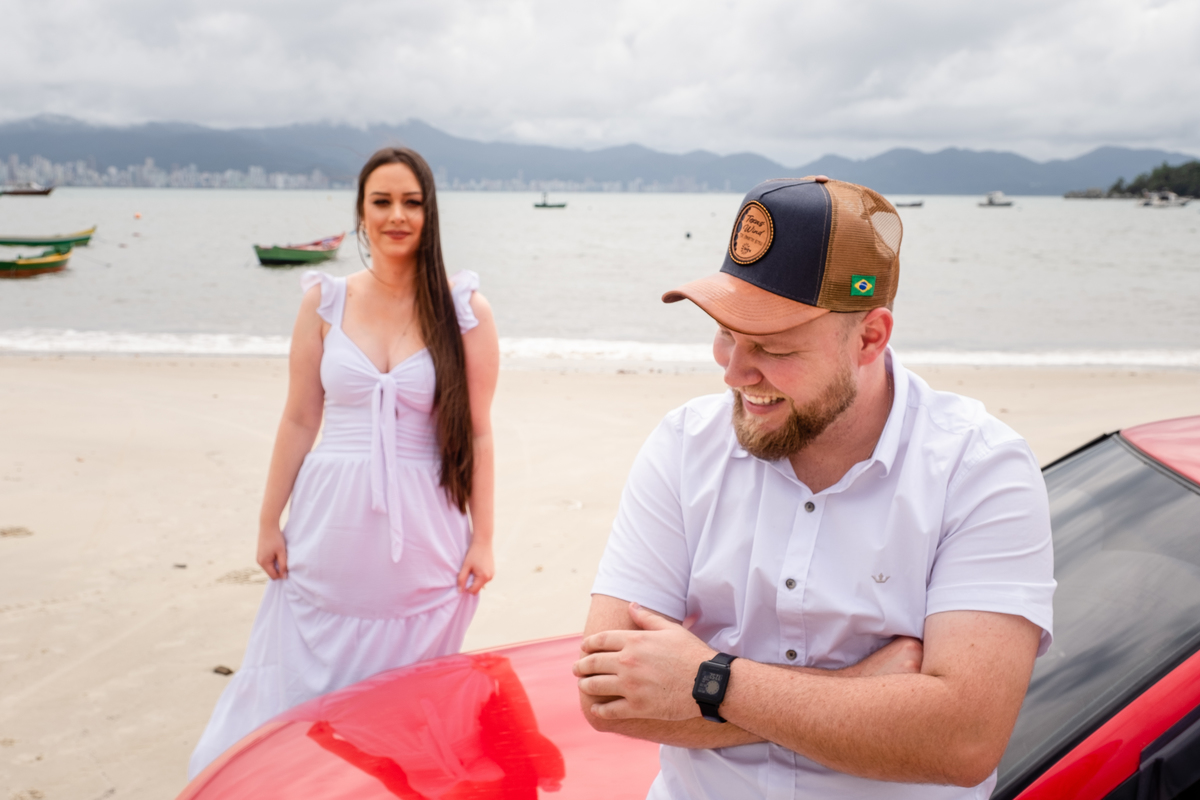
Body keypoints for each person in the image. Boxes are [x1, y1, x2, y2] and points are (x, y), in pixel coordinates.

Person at [574, 176, 1055, 798]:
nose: (734, 372)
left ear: (870, 337)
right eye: (725, 333)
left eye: (773, 347)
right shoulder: (684, 444)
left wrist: (706, 683)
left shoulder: (980, 469)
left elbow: (962, 742)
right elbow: (607, 695)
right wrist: (861, 696)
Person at [189, 147, 500, 778]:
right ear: (360, 214)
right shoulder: (324, 303)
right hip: (328, 524)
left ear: (430, 210)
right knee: (303, 689)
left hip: (422, 531)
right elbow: (300, 418)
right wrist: (268, 521)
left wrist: (484, 538)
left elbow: (479, 432)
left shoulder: (463, 309)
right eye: (381, 201)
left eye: (411, 202)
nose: (397, 215)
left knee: (407, 705)